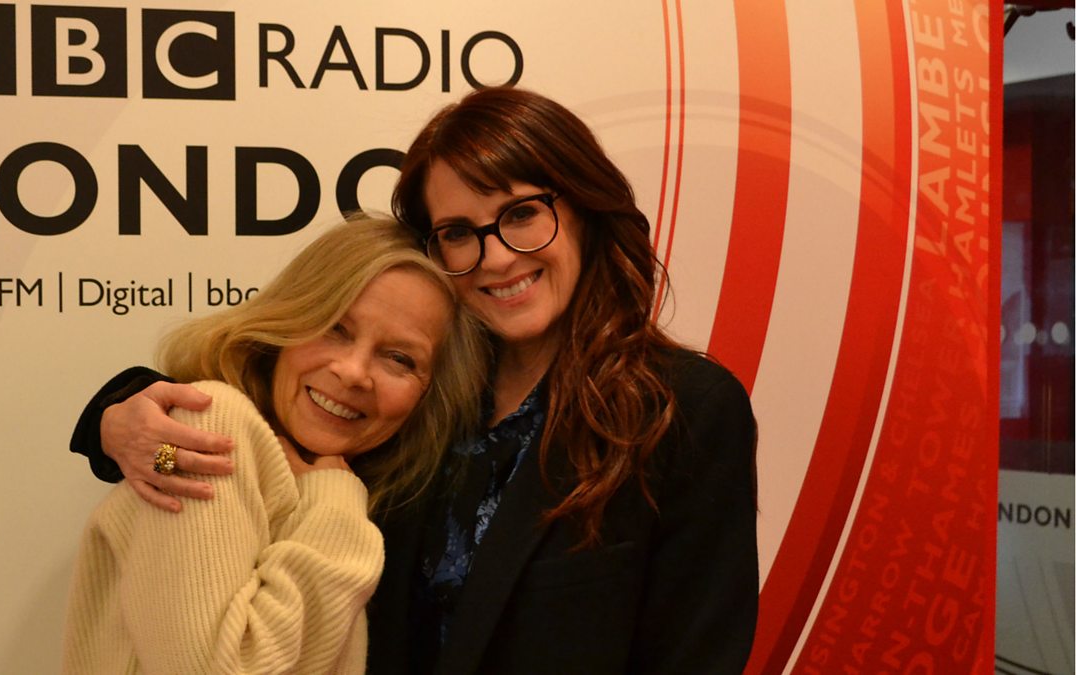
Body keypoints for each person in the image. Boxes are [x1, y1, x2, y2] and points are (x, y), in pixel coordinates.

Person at [69, 86, 758, 674]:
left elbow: (695, 654)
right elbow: (222, 428)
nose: (495, 258)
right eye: (459, 231)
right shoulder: (421, 393)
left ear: (582, 208)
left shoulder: (681, 409)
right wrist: (114, 420)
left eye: (521, 213)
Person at [61, 216, 487, 674]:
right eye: (335, 328)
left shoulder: (388, 495)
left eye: (399, 358)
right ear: (291, 319)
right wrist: (335, 505)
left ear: (431, 390)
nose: (353, 372)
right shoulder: (215, 421)